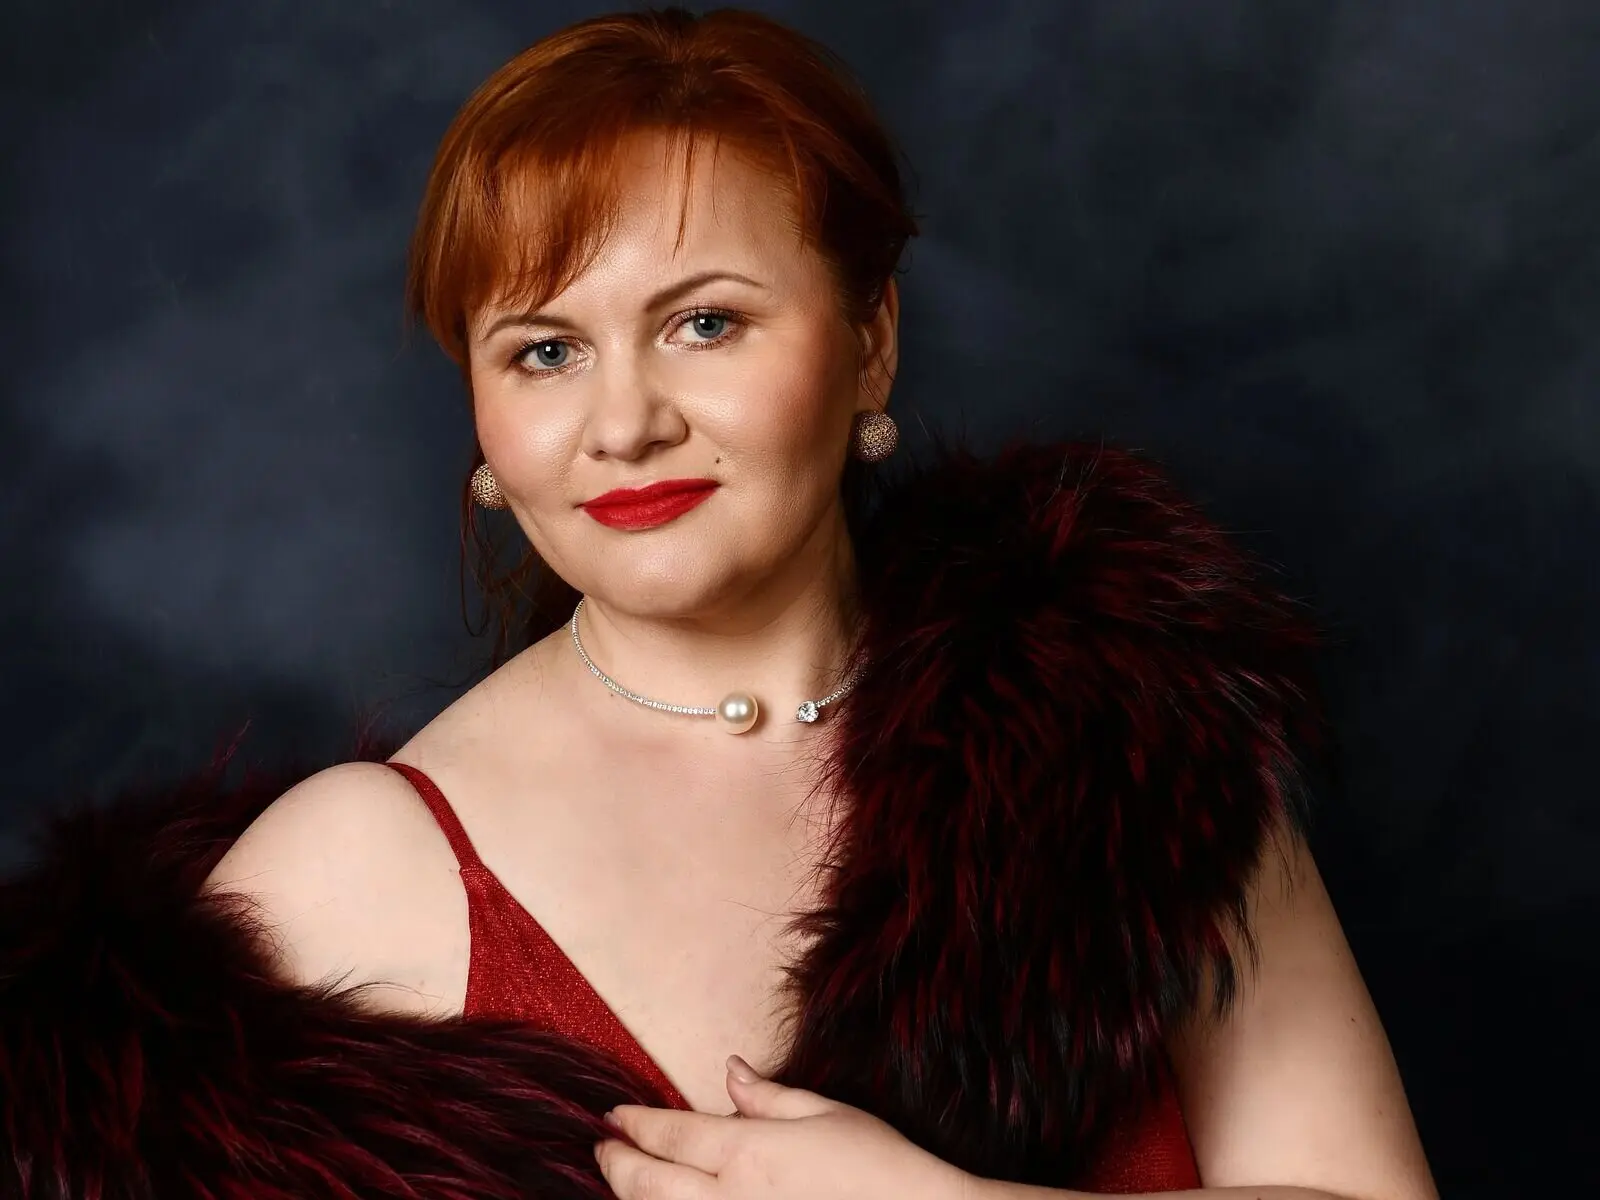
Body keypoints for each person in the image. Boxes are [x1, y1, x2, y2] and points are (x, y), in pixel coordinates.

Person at [0, 7, 1437, 1199]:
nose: (625, 423)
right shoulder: (348, 876)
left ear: (871, 342)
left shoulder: (1130, 728)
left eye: (705, 323)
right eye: (546, 350)